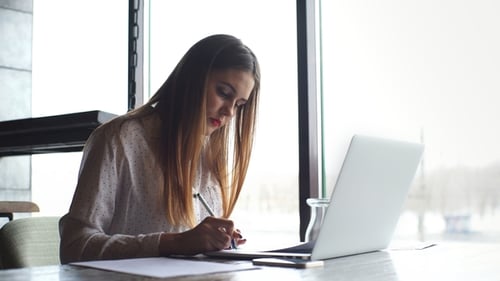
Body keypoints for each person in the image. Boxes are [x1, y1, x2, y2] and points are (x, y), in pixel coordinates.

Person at [59, 34, 260, 263]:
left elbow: (192, 243)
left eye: (239, 105)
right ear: (192, 78)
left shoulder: (210, 157)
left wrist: (217, 241)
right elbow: (74, 247)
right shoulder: (119, 140)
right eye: (223, 93)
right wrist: (175, 242)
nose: (230, 112)